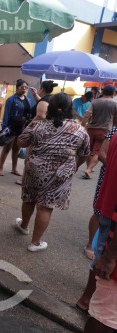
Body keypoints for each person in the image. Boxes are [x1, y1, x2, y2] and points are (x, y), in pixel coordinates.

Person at [15, 93, 90, 252]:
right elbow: (84, 154)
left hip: (34, 169)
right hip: (60, 174)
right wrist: (75, 166)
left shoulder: (39, 125)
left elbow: (20, 141)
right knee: (45, 206)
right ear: (71, 108)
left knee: (29, 198)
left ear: (50, 108)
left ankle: (23, 226)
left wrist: (36, 118)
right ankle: (35, 243)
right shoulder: (80, 130)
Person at [76, 125, 117, 313]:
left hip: (109, 200)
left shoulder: (115, 132)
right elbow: (102, 154)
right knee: (102, 254)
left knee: (100, 248)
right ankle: (87, 301)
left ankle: (87, 300)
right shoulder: (114, 132)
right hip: (110, 204)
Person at [81, 85, 117, 179]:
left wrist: (82, 126)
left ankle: (88, 167)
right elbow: (116, 120)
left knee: (89, 150)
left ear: (102, 92)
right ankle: (89, 169)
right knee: (97, 152)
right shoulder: (115, 103)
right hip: (104, 131)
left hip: (91, 129)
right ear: (113, 93)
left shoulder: (95, 102)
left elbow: (87, 116)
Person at [0, 79, 31, 177]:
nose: (24, 89)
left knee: (16, 149)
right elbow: (6, 114)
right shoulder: (11, 99)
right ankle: (0, 167)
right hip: (11, 127)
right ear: (17, 88)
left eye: (26, 87)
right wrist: (4, 129)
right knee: (7, 148)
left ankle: (14, 169)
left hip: (21, 128)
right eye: (22, 87)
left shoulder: (27, 100)